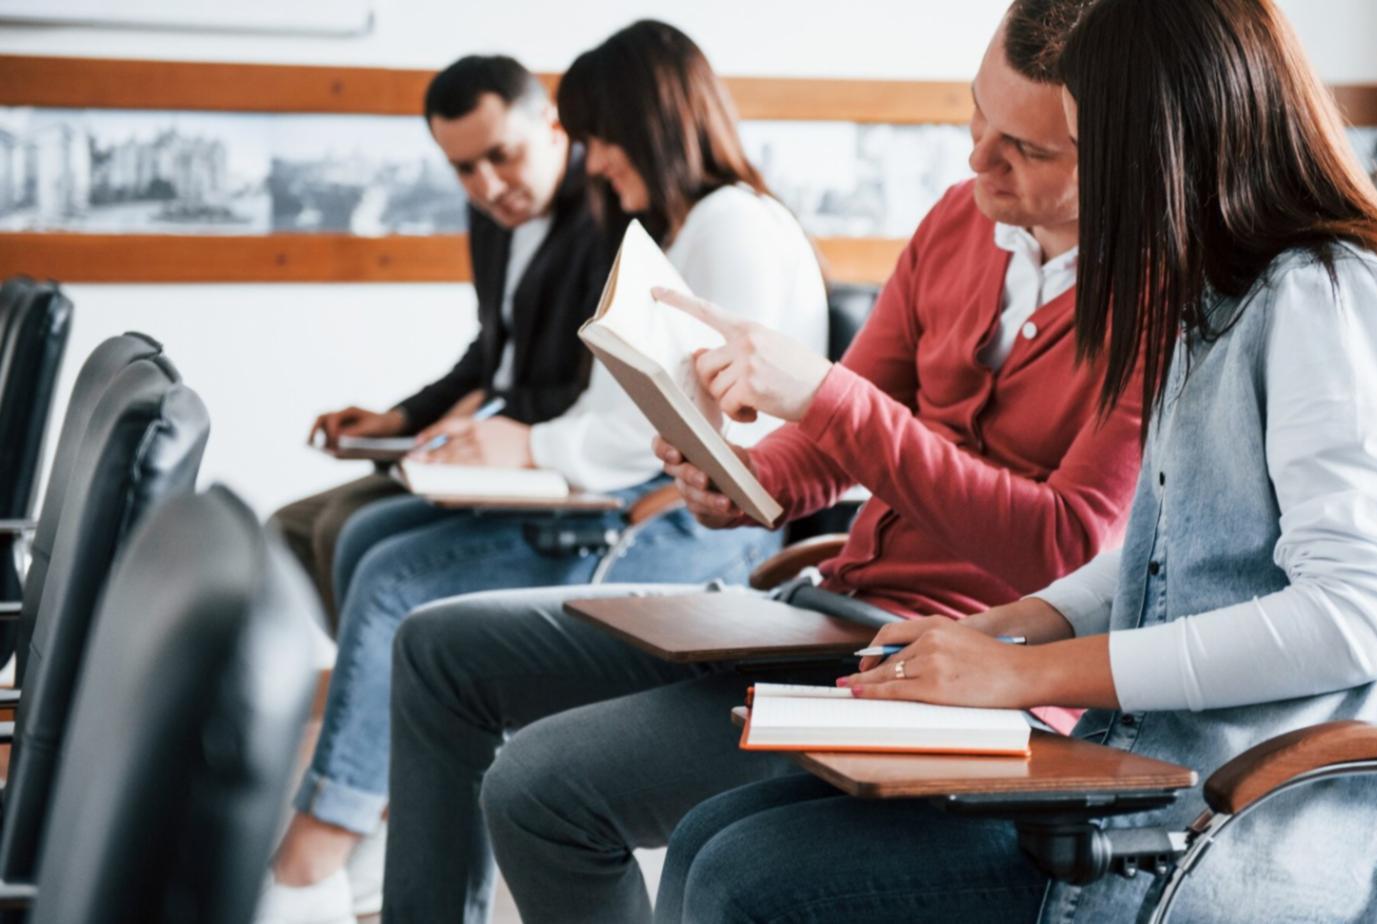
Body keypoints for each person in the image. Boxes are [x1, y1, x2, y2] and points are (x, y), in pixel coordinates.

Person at [657, 0, 1377, 920]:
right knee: (714, 836)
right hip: (1175, 777)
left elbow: (1350, 619)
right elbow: (1173, 549)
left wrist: (1023, 677)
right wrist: (1010, 627)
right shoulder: (1224, 295)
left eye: (1078, 151)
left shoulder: (1338, 301)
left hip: (1291, 823)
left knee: (745, 875)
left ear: (1171, 141)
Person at [383, 4, 1140, 921]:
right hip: (826, 606)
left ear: (1126, 154)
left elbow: (1063, 547)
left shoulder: (1154, 293)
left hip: (949, 664)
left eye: (1026, 151)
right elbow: (834, 438)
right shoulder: (955, 222)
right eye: (978, 118)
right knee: (437, 647)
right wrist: (745, 482)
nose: (978, 161)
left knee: (538, 790)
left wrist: (829, 400)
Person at [256, 21, 828, 924]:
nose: (591, 162)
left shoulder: (726, 228)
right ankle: (365, 816)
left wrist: (533, 447)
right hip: (634, 492)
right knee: (365, 541)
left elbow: (694, 428)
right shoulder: (688, 226)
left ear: (645, 125)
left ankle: (325, 846)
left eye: (596, 137)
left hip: (672, 523)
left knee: (397, 575)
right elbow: (601, 398)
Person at [269, 54, 612, 629]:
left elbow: (594, 387)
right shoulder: (490, 216)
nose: (488, 186)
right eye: (464, 169)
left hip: (553, 456)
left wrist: (487, 414)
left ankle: (399, 692)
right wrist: (399, 418)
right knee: (287, 528)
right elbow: (490, 353)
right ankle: (392, 688)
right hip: (481, 447)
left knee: (340, 529)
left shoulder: (609, 214)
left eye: (502, 156)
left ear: (554, 127)